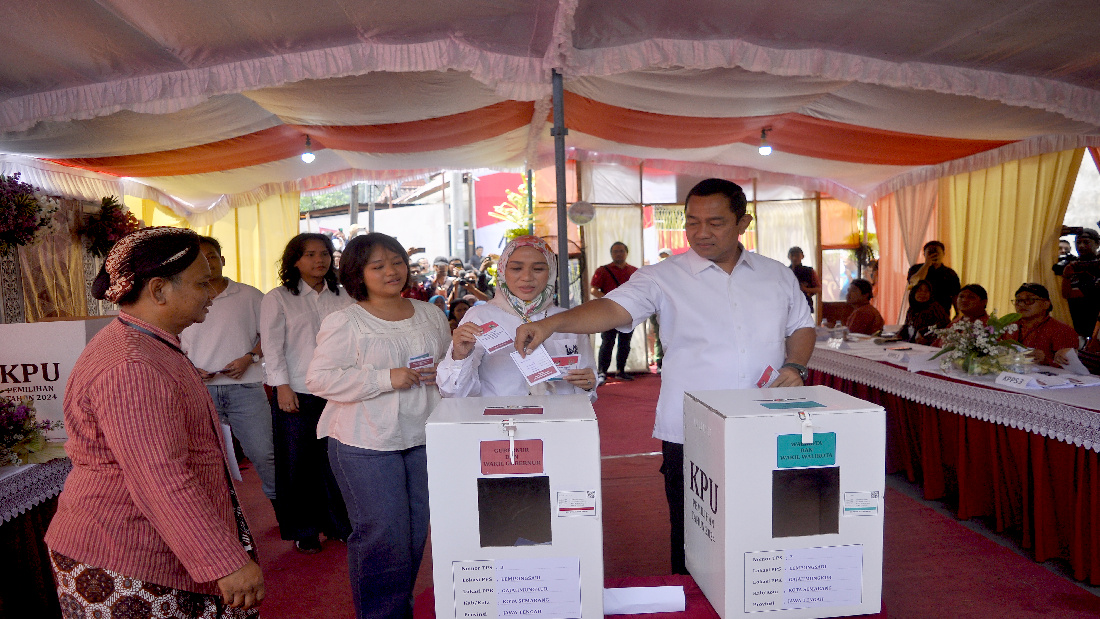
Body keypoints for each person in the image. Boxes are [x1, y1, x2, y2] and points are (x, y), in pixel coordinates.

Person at [513, 178, 815, 575]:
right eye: (692, 222)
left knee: (768, 522)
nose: (701, 232)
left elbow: (801, 327)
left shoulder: (776, 274)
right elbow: (612, 309)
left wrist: (794, 367)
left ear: (744, 223)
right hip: (691, 429)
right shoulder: (663, 276)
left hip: (765, 420)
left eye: (716, 222)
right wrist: (553, 323)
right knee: (694, 531)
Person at [46, 227, 264, 617]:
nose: (212, 294)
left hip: (153, 544)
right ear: (159, 290)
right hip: (126, 556)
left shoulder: (148, 342)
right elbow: (161, 476)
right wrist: (224, 562)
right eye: (202, 283)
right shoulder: (133, 363)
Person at [306, 233, 450, 619]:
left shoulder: (431, 314)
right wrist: (385, 378)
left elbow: (447, 370)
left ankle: (398, 609)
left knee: (415, 534)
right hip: (364, 440)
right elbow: (318, 379)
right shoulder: (346, 321)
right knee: (383, 534)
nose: (391, 271)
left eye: (397, 261)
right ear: (358, 273)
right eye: (378, 265)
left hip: (423, 436)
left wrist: (452, 367)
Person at [260, 233, 353, 554]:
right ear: (295, 260)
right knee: (297, 463)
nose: (320, 260)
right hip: (296, 391)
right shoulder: (279, 298)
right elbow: (272, 348)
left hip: (338, 392)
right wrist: (281, 386)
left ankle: (340, 524)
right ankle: (305, 529)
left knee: (336, 461)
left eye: (325, 253)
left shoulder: (344, 297)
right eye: (311, 254)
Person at [180, 237, 275, 512]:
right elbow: (170, 340)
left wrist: (250, 358)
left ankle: (288, 516)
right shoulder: (184, 298)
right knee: (205, 459)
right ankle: (217, 516)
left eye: (212, 256)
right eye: (200, 257)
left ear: (223, 260)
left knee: (265, 454)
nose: (207, 262)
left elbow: (270, 336)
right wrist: (188, 369)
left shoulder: (250, 295)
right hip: (200, 390)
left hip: (245, 387)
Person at [439, 235, 598, 399]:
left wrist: (587, 386)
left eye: (538, 269)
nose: (527, 277)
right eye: (516, 268)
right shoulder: (480, 317)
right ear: (502, 271)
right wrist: (459, 357)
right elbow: (454, 394)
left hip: (556, 421)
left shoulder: (566, 321)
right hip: (499, 421)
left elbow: (588, 390)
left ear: (551, 272)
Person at [591, 241, 639, 382]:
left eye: (621, 251)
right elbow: (594, 290)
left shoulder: (635, 271)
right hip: (609, 311)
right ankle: (602, 372)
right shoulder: (602, 270)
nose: (618, 253)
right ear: (611, 253)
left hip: (628, 312)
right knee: (607, 342)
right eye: (616, 251)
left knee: (625, 342)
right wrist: (610, 299)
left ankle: (621, 370)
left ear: (626, 253)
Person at [1003, 283, 1079, 367]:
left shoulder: (1061, 330)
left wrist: (1045, 360)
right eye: (1018, 300)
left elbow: (1072, 368)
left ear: (1046, 304)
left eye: (1030, 300)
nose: (1021, 304)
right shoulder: (1008, 325)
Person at [1060, 228, 1100, 338]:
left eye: (1086, 242)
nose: (1081, 246)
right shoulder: (1070, 264)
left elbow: (1069, 294)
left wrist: (1067, 276)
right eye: (1078, 242)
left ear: (1097, 244)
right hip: (1073, 321)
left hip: (1094, 323)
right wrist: (1064, 231)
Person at [907, 241, 961, 315]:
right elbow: (914, 283)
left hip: (942, 312)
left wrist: (958, 313)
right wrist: (927, 264)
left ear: (943, 254)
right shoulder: (916, 269)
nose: (934, 255)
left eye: (937, 252)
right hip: (918, 312)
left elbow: (955, 295)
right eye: (930, 252)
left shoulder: (950, 273)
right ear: (924, 254)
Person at [900, 280, 949, 344]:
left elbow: (944, 324)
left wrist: (922, 332)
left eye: (926, 291)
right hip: (913, 344)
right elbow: (907, 326)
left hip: (931, 345)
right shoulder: (912, 309)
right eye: (919, 290)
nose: (923, 293)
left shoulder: (935, 307)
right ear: (914, 292)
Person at [788, 246, 821, 311]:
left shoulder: (809, 271)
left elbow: (819, 289)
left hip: (804, 305)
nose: (794, 258)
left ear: (802, 256)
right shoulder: (785, 271)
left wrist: (806, 289)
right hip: (789, 306)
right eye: (792, 255)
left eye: (797, 256)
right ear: (789, 257)